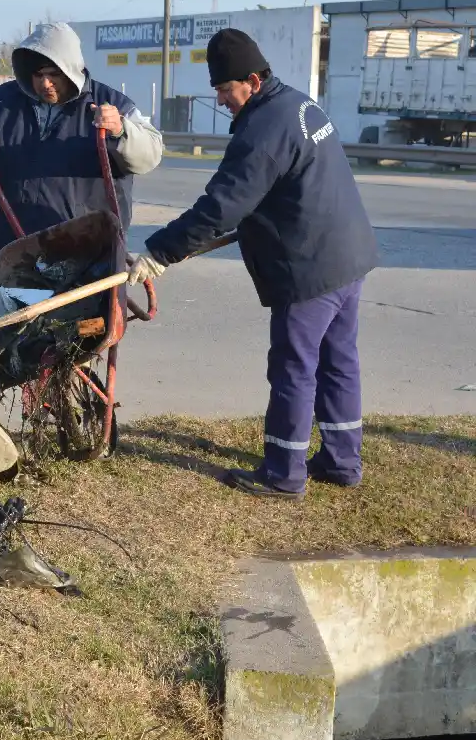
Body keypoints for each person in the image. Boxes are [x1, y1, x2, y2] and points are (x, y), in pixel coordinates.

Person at [129, 28, 379, 499]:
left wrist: (160, 251)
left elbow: (222, 205)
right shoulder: (300, 104)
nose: (222, 99)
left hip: (310, 267)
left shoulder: (265, 128)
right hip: (348, 256)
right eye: (218, 90)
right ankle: (343, 462)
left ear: (254, 80)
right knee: (339, 360)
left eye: (226, 90)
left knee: (294, 367)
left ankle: (284, 473)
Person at [0, 22, 164, 299]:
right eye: (38, 75)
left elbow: (151, 153)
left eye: (53, 74)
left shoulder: (112, 103)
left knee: (75, 340)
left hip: (84, 262)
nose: (45, 83)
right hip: (3, 255)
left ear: (71, 69)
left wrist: (121, 130)